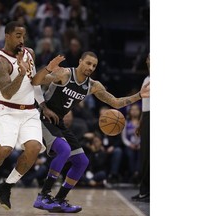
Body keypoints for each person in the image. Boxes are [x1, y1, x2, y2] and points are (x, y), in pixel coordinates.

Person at [31, 51, 150, 213]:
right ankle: (43, 196)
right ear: (80, 61)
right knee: (64, 150)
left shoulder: (93, 86)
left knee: (81, 161)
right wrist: (48, 69)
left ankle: (59, 199)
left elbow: (115, 102)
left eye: (94, 65)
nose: (90, 67)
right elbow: (35, 82)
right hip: (42, 117)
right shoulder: (65, 74)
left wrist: (139, 95)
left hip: (59, 121)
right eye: (88, 63)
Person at [0, 21, 60, 210]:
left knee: (34, 148)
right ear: (8, 36)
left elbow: (35, 81)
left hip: (29, 111)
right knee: (5, 150)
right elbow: (8, 92)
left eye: (23, 36)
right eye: (18, 35)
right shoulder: (0, 62)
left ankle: (6, 186)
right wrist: (20, 73)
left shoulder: (29, 53)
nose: (22, 39)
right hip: (8, 111)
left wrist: (43, 105)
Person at [131, 53, 150, 202]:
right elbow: (145, 105)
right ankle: (144, 191)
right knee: (145, 157)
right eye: (150, 58)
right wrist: (142, 123)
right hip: (147, 118)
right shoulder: (146, 79)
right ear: (147, 60)